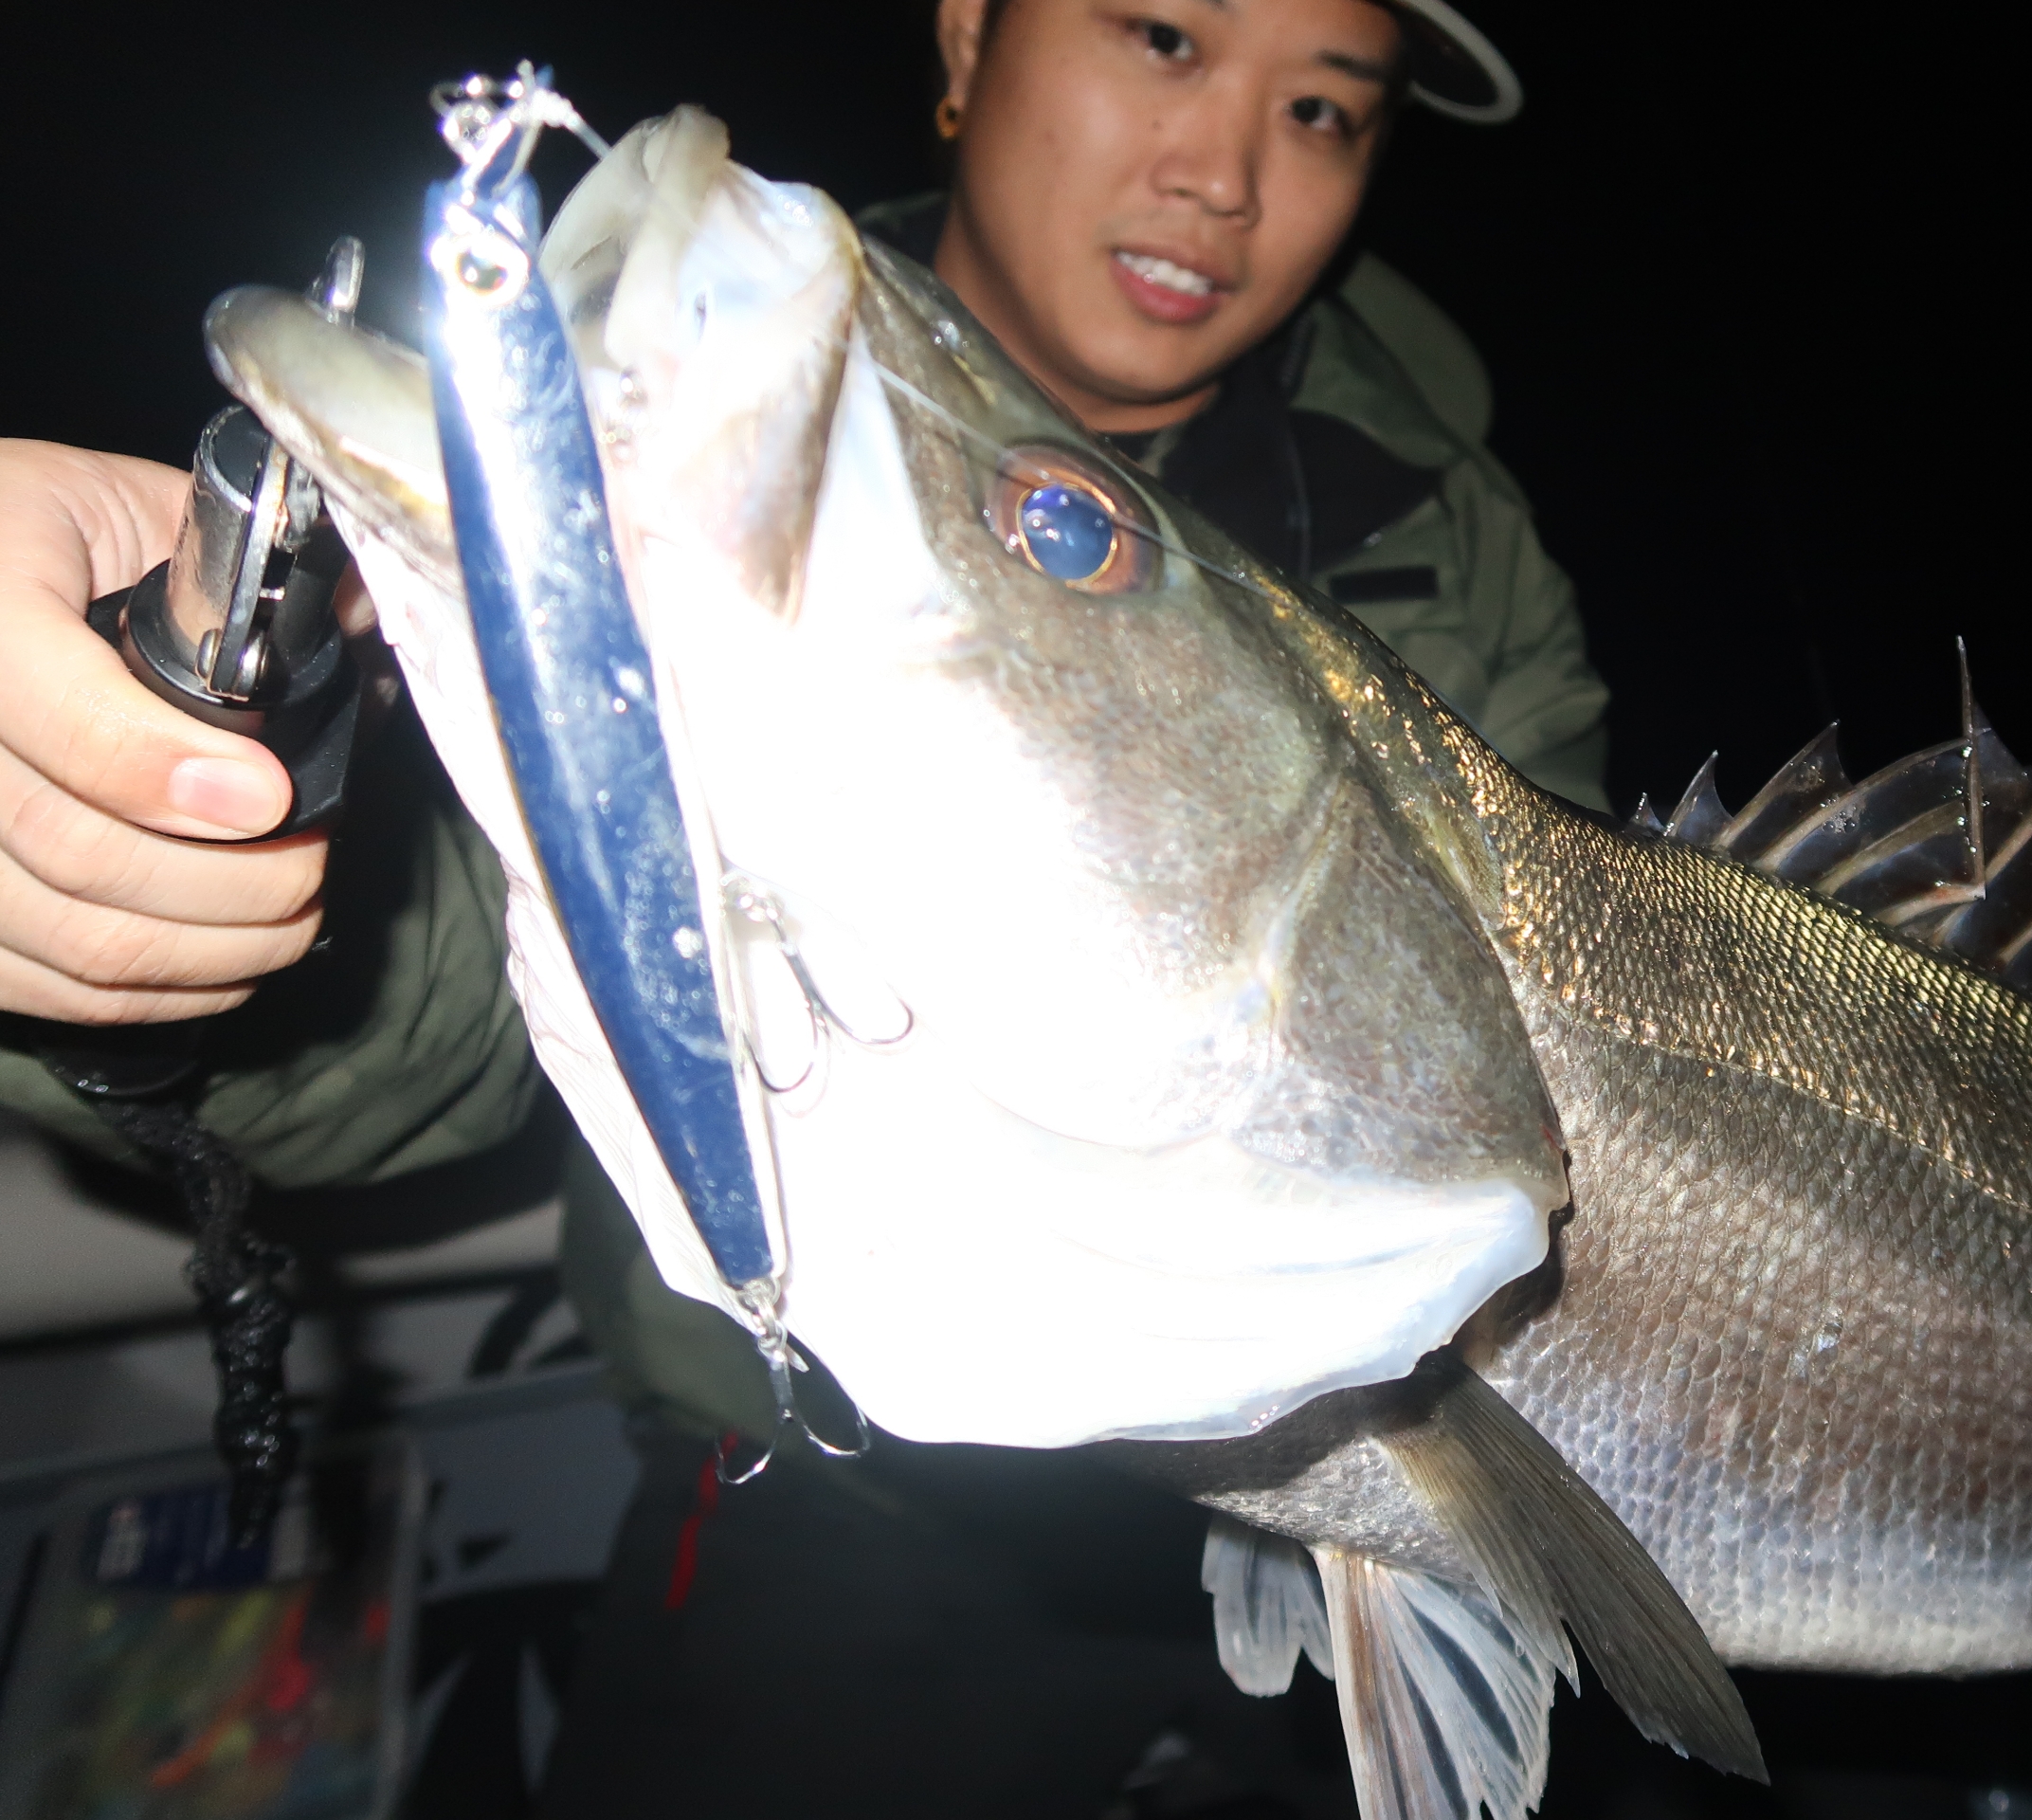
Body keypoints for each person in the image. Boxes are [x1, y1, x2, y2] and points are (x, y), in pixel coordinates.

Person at [0, 2, 1606, 1812]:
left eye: (1323, 110)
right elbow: (429, 1019)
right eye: (1164, 34)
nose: (1225, 174)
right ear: (969, 37)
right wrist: (161, 863)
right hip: (821, 1503)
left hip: (1382, 1530)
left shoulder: (1473, 549)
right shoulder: (740, 401)